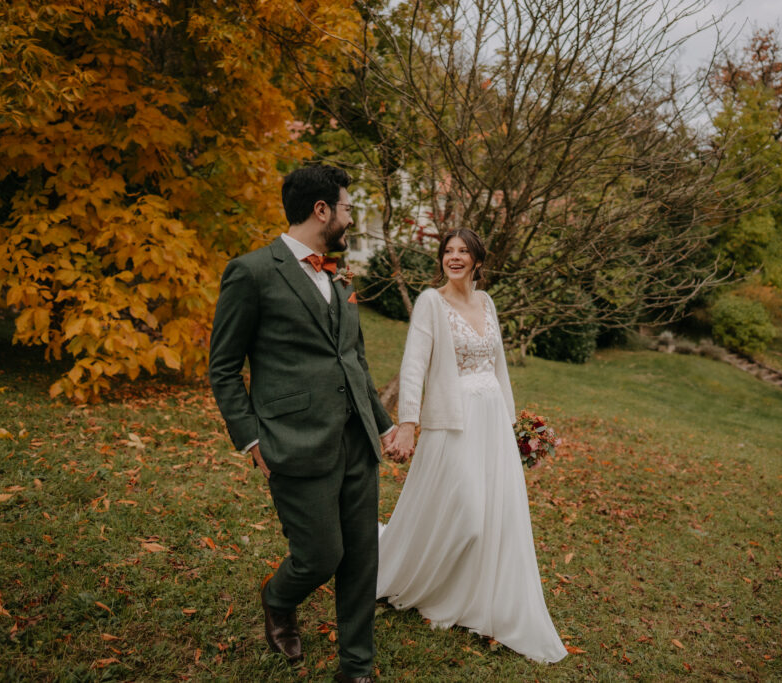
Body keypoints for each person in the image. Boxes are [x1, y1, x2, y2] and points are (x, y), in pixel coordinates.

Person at [208, 165, 396, 683]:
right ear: (321, 211)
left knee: (361, 557)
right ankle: (278, 597)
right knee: (320, 556)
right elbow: (223, 368)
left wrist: (383, 426)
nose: (351, 215)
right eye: (347, 206)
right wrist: (250, 438)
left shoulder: (337, 273)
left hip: (355, 438)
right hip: (293, 440)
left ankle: (355, 667)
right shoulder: (251, 272)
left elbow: (352, 359)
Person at [379, 228, 568, 664]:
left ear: (478, 260)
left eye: (464, 251)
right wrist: (408, 423)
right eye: (448, 251)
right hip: (453, 421)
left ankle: (474, 595)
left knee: (493, 512)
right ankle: (423, 580)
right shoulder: (430, 302)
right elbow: (414, 366)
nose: (455, 257)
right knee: (465, 511)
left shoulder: (487, 302)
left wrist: (514, 427)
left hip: (492, 423)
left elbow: (499, 367)